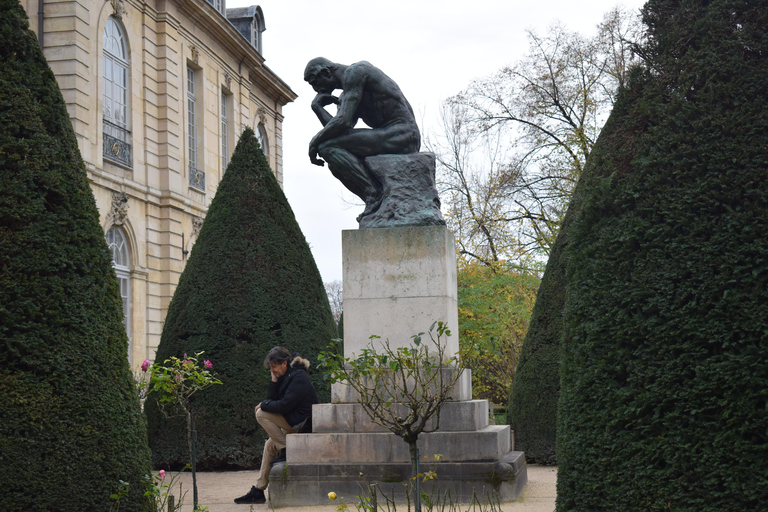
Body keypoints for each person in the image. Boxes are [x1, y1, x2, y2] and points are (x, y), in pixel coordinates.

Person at [304, 57, 421, 221]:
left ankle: (374, 194)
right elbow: (338, 130)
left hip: (403, 133)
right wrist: (316, 108)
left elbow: (343, 122)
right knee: (333, 158)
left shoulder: (356, 72)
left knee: (326, 148)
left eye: (315, 82)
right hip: (389, 134)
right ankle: (374, 197)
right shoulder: (346, 95)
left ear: (326, 72)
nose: (316, 89)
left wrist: (314, 142)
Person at [234, 347, 318, 504]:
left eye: (274, 366)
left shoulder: (299, 377)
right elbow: (273, 401)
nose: (272, 370)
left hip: (303, 424)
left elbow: (284, 405)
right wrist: (273, 381)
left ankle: (286, 448)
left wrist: (263, 404)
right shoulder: (285, 376)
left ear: (284, 363)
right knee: (269, 445)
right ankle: (258, 490)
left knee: (260, 413)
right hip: (293, 421)